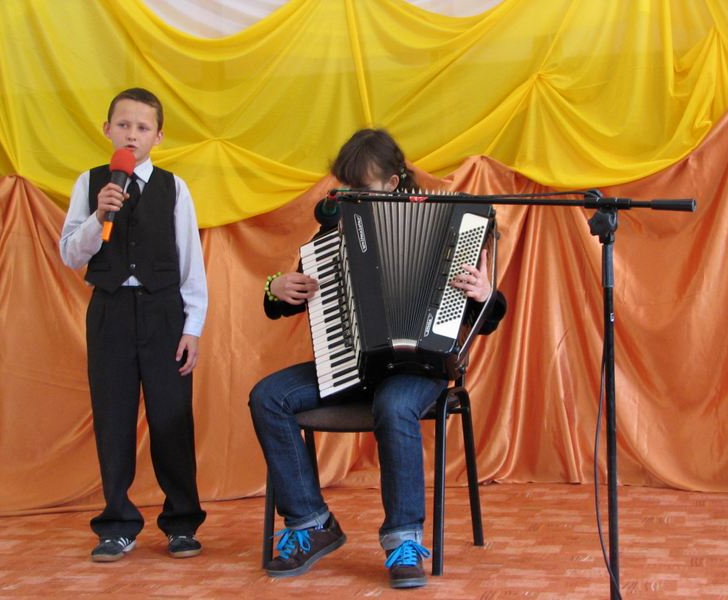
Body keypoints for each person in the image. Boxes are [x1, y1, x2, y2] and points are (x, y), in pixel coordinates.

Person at [249, 128, 506, 588]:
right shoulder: (334, 230)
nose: (349, 196)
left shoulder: (452, 225)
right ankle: (312, 523)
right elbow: (289, 300)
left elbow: (485, 319)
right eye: (345, 186)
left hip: (419, 368)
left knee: (394, 404)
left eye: (361, 187)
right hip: (349, 363)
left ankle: (403, 540)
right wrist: (277, 288)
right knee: (269, 396)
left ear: (392, 182)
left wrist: (486, 295)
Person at [60, 88, 207, 562]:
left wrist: (192, 328)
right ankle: (117, 524)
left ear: (158, 136)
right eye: (123, 125)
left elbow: (191, 263)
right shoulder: (89, 183)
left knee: (171, 419)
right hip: (111, 312)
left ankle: (182, 522)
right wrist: (98, 216)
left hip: (165, 312)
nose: (132, 135)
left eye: (143, 127)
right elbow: (70, 254)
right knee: (113, 419)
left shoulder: (173, 188)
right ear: (107, 130)